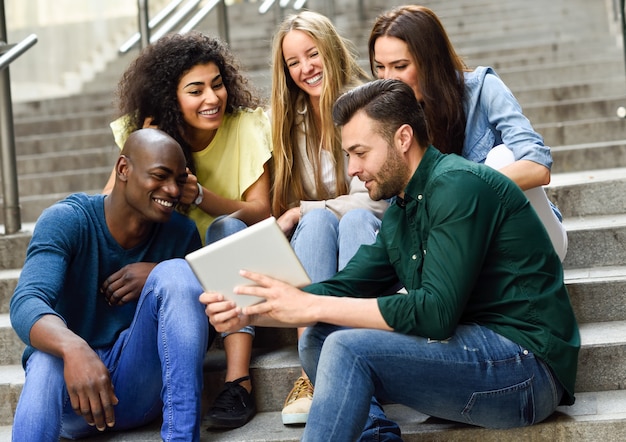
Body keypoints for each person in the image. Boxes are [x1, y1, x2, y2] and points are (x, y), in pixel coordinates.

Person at [201, 79, 580, 441]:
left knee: (345, 346)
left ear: (403, 139)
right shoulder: (401, 209)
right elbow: (344, 286)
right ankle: (375, 436)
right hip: (473, 358)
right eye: (349, 155)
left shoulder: (458, 186)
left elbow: (435, 313)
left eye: (360, 153)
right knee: (319, 335)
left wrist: (312, 303)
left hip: (525, 371)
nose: (351, 168)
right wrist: (250, 311)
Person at [104, 32, 273, 429]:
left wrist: (202, 199)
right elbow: (108, 209)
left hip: (235, 268)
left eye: (217, 84)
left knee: (226, 227)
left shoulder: (246, 126)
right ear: (170, 97)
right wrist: (147, 142)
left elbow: (263, 213)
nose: (212, 98)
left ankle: (238, 381)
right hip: (173, 271)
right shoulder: (146, 131)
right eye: (195, 90)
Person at [10, 128, 210, 441]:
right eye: (160, 176)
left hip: (136, 390)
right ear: (123, 169)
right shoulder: (68, 220)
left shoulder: (180, 234)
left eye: (179, 180)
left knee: (178, 273)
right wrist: (74, 347)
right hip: (71, 400)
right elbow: (26, 302)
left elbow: (197, 335)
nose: (172, 189)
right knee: (47, 358)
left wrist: (160, 273)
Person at [367, 5, 568, 261]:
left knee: (503, 156)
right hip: (461, 254)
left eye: (400, 66)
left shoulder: (483, 89)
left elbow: (538, 167)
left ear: (430, 61)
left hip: (531, 240)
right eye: (380, 67)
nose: (388, 79)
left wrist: (458, 192)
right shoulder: (389, 117)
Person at [269, 11, 390, 425]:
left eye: (312, 54)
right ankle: (312, 371)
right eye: (293, 62)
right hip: (320, 245)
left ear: (331, 51)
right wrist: (309, 214)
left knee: (349, 220)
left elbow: (374, 201)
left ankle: (355, 355)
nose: (305, 68)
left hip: (373, 241)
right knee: (318, 224)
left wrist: (306, 209)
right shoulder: (291, 119)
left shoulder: (369, 104)